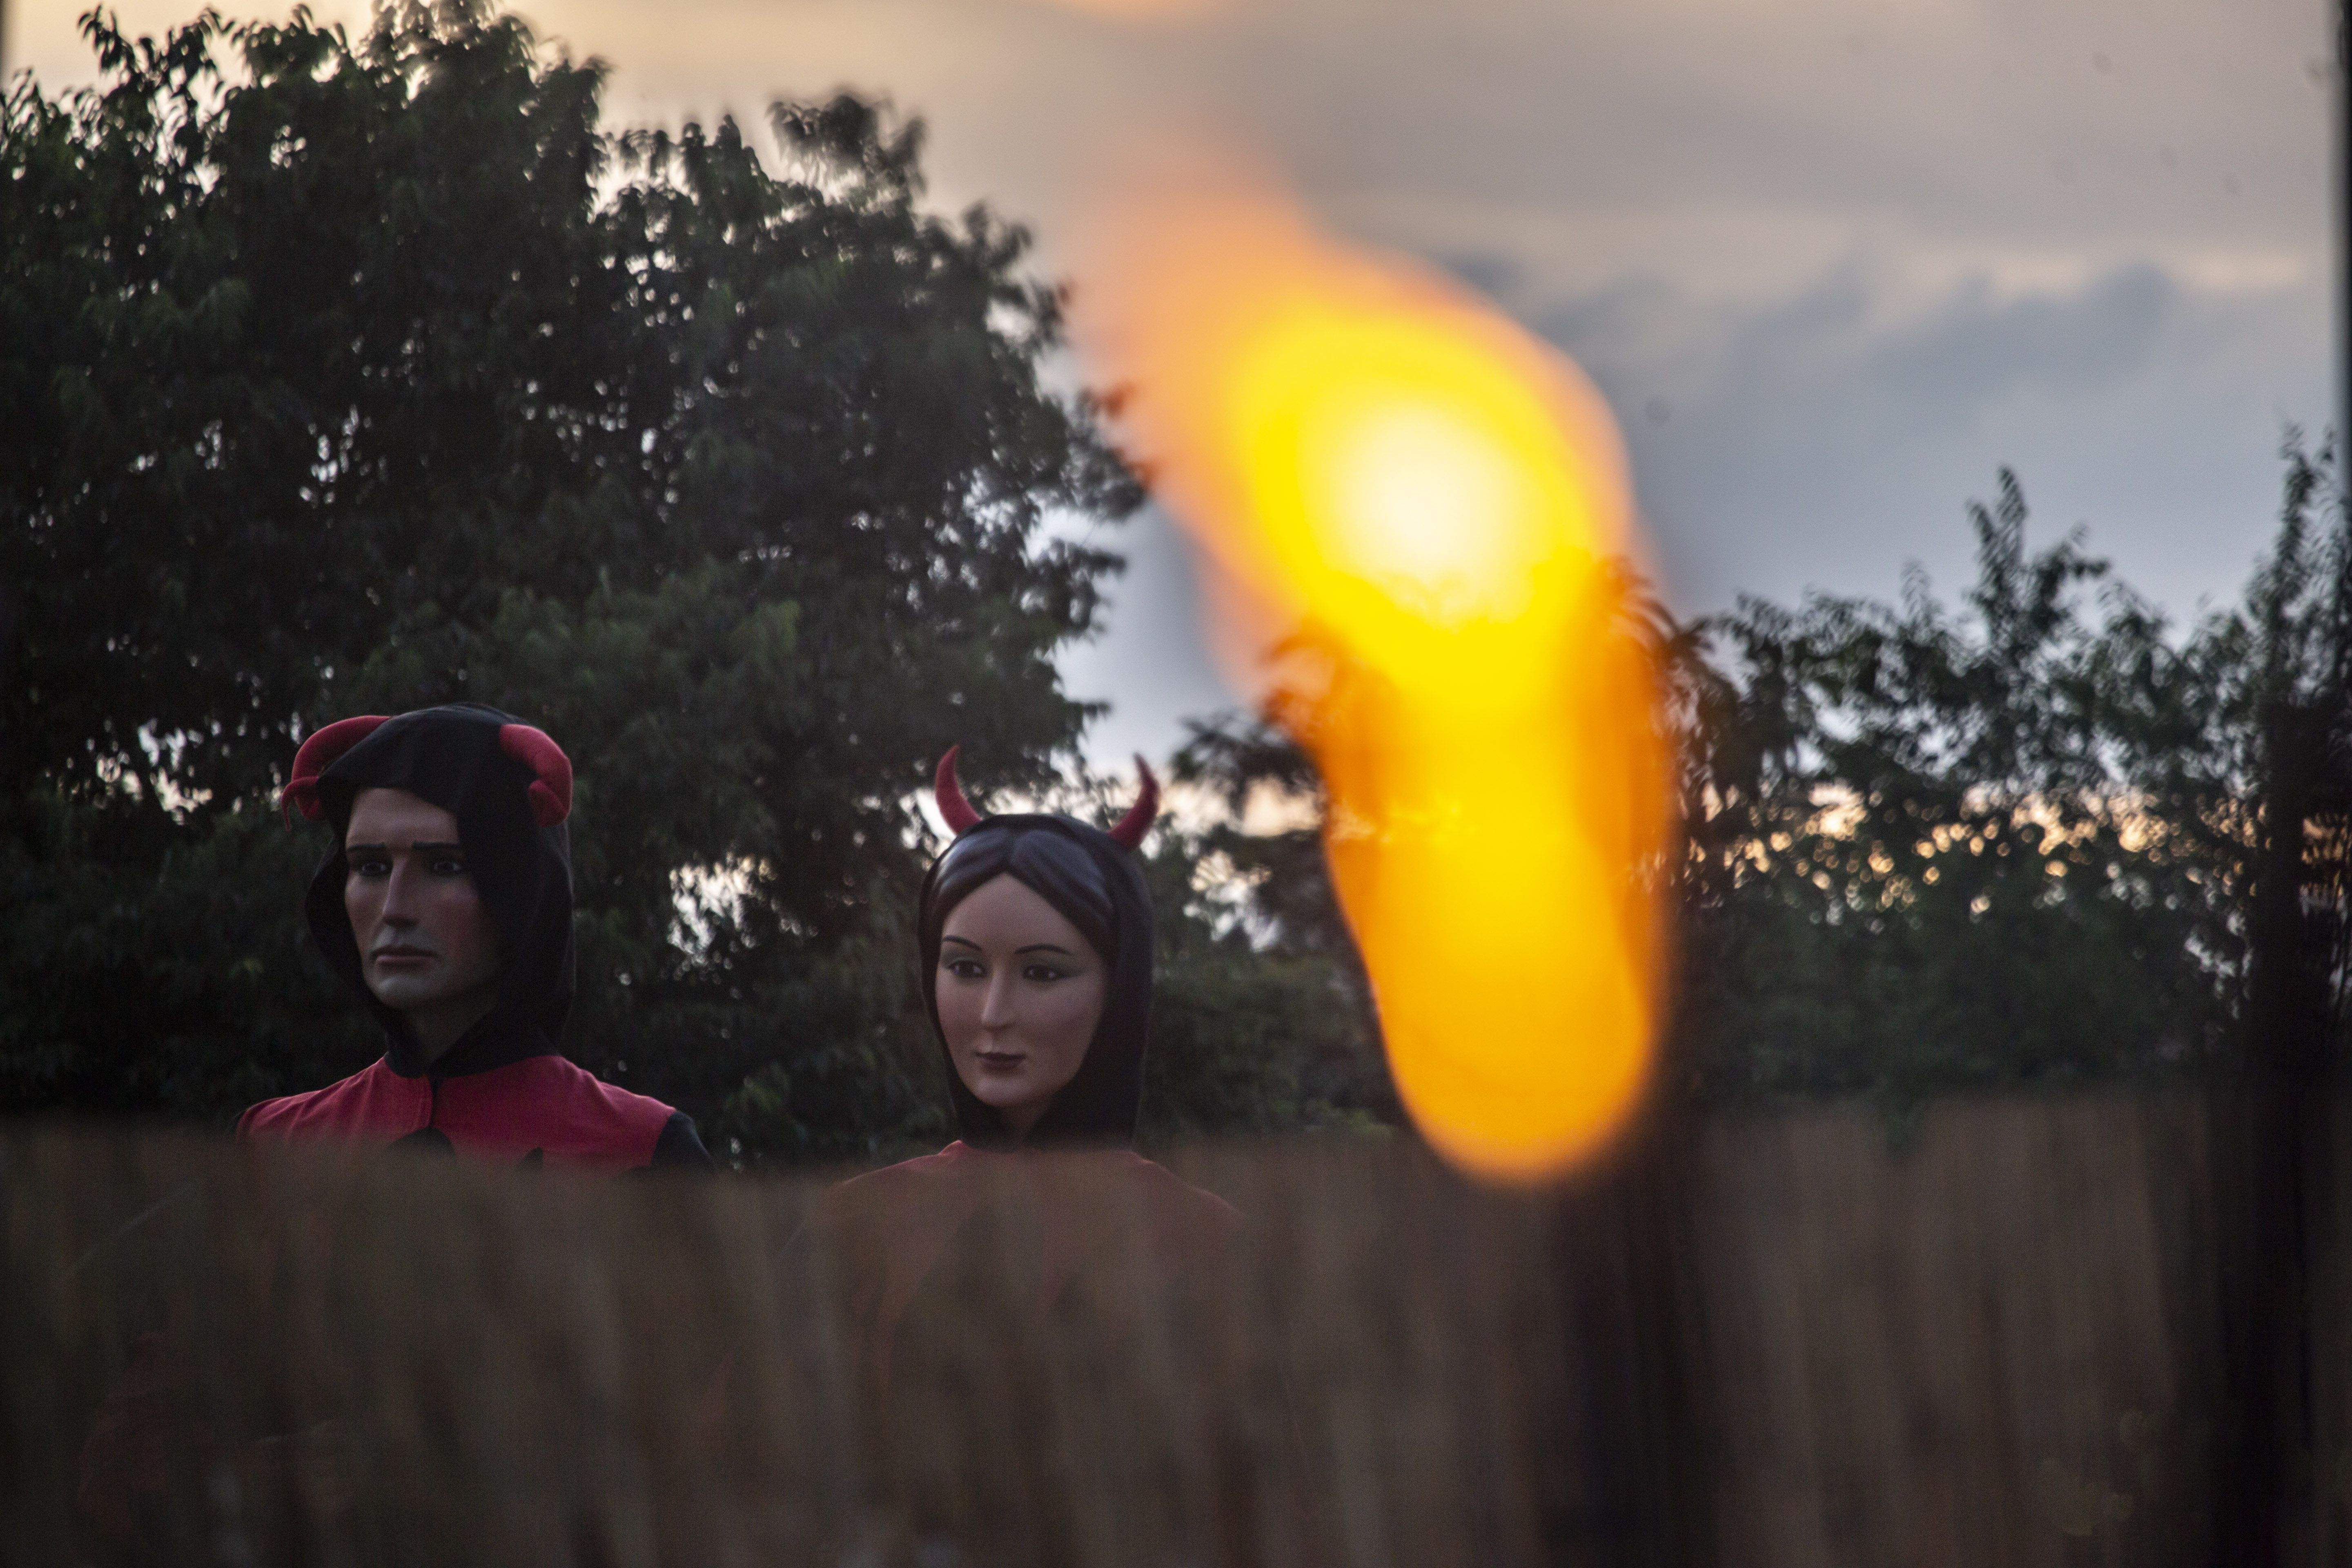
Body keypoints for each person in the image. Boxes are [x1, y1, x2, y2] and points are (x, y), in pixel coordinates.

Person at [238, 703, 711, 1170]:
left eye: (444, 866)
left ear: (522, 891)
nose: (394, 908)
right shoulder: (274, 1145)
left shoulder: (645, 1152)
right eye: (371, 866)